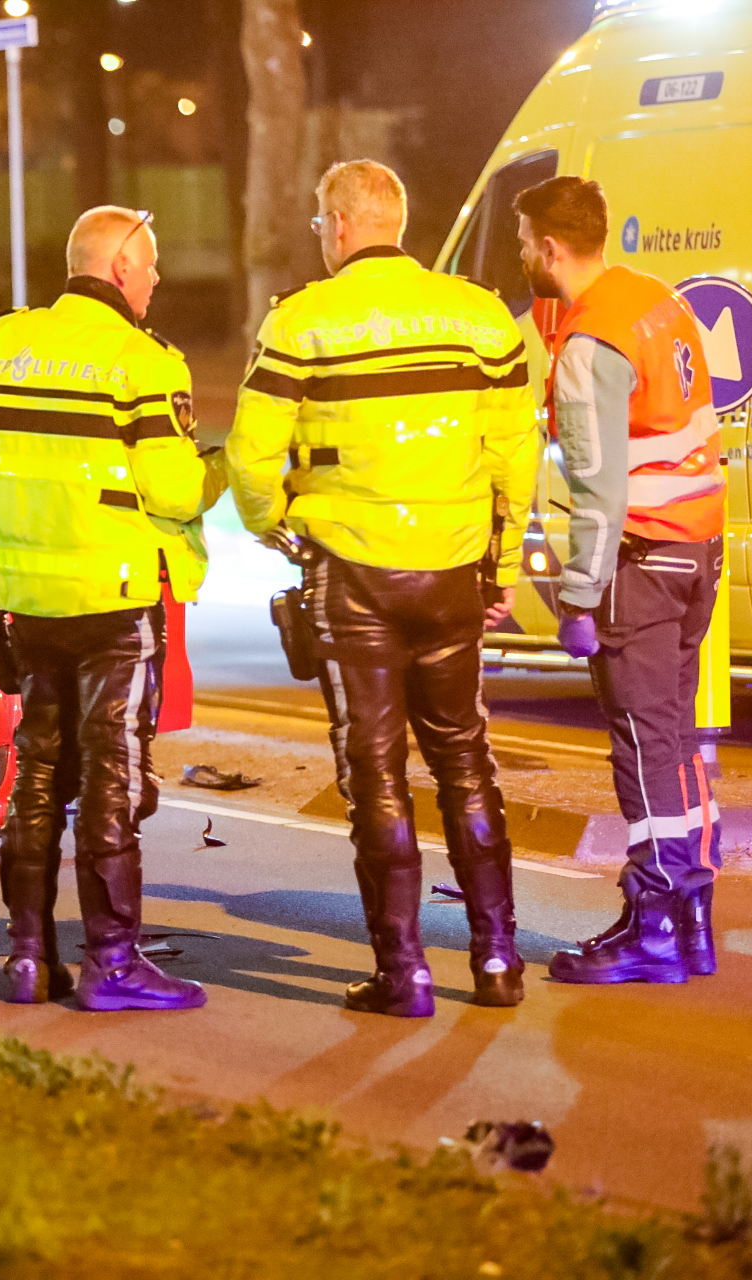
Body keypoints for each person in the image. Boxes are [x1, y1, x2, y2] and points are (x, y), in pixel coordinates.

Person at [227, 160, 539, 1017]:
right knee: (464, 758)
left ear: (336, 223)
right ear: (397, 222)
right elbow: (518, 453)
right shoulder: (479, 316)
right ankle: (498, 958)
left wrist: (275, 524)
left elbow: (252, 455)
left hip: (351, 574)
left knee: (376, 773)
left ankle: (403, 974)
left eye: (319, 224)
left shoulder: (304, 320)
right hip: (453, 572)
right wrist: (499, 566)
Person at [0, 206, 227, 1011]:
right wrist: (220, 468)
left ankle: (28, 956)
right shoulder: (143, 362)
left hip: (20, 605)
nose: (159, 280)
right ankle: (114, 963)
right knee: (110, 777)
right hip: (111, 600)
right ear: (123, 268)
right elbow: (172, 490)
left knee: (36, 770)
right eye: (153, 266)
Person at [516, 176, 724, 985]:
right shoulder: (654, 300)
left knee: (641, 750)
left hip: (639, 559)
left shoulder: (589, 345)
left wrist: (576, 597)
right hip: (697, 553)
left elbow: (598, 488)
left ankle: (654, 926)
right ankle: (692, 913)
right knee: (676, 745)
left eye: (525, 242)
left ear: (551, 248)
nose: (521, 255)